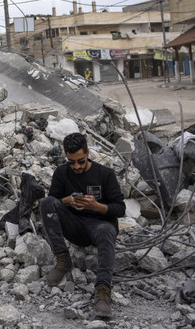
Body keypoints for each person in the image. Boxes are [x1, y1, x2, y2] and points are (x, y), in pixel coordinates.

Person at [40, 132, 125, 319]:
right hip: (75, 226)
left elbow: (120, 209)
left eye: (81, 161)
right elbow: (53, 201)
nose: (76, 166)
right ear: (66, 157)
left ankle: (102, 291)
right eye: (72, 162)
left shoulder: (105, 174)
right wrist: (66, 202)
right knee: (46, 203)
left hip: (100, 226)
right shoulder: (62, 173)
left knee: (105, 230)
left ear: (88, 153)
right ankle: (63, 260)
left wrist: (97, 206)